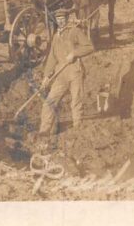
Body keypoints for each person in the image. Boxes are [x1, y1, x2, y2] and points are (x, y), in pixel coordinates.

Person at [38, 8, 95, 146]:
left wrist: (74, 53)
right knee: (49, 102)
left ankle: (78, 132)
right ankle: (44, 133)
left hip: (75, 72)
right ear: (56, 20)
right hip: (60, 75)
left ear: (67, 18)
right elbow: (52, 58)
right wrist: (46, 76)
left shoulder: (75, 31)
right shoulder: (56, 36)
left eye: (63, 18)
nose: (61, 21)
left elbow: (89, 47)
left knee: (76, 102)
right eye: (58, 19)